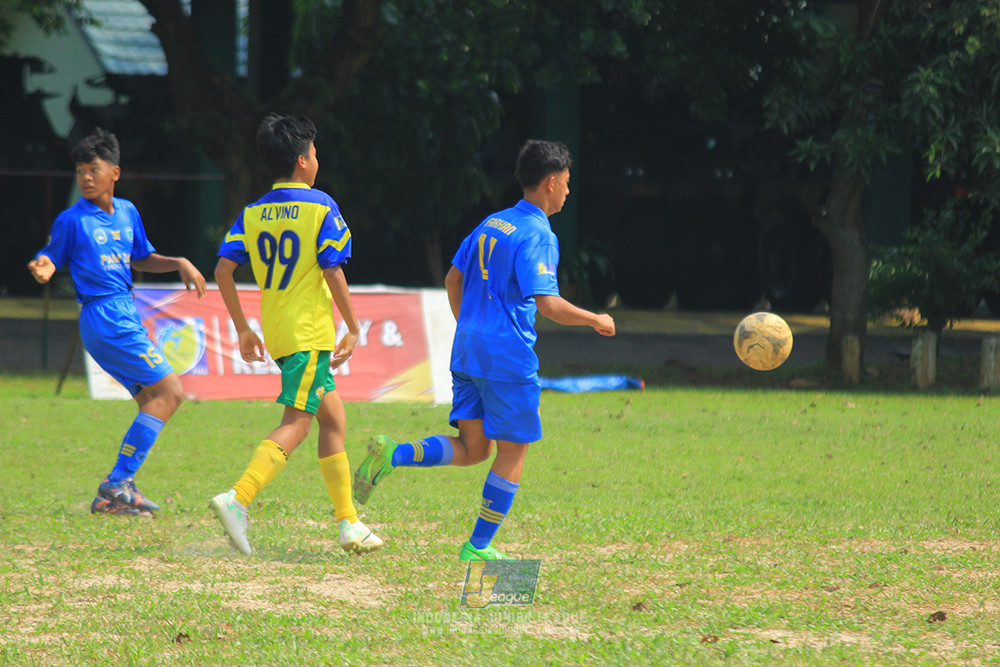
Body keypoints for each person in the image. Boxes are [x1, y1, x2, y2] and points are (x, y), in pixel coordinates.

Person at [353, 139, 615, 561]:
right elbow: (548, 304)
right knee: (513, 450)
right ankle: (479, 546)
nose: (568, 191)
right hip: (506, 357)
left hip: (467, 351)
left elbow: (453, 280)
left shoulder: (493, 222)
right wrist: (595, 318)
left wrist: (472, 327)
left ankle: (392, 454)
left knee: (475, 448)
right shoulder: (539, 234)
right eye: (567, 183)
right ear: (550, 182)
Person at [209, 114, 382, 556]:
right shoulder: (322, 206)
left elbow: (223, 270)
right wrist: (354, 324)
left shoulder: (254, 212)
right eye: (316, 152)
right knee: (297, 424)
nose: (318, 159)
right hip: (309, 332)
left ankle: (349, 523)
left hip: (281, 331)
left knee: (334, 419)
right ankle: (238, 498)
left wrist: (244, 328)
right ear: (304, 160)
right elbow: (333, 267)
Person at [27, 128, 208, 516]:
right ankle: (117, 482)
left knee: (150, 401)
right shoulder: (72, 220)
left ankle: (111, 499)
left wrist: (178, 262)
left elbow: (141, 257)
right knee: (171, 393)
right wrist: (44, 265)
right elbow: (51, 256)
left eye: (93, 169)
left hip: (123, 312)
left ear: (115, 172)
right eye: (79, 171)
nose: (86, 178)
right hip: (104, 315)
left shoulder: (127, 212)